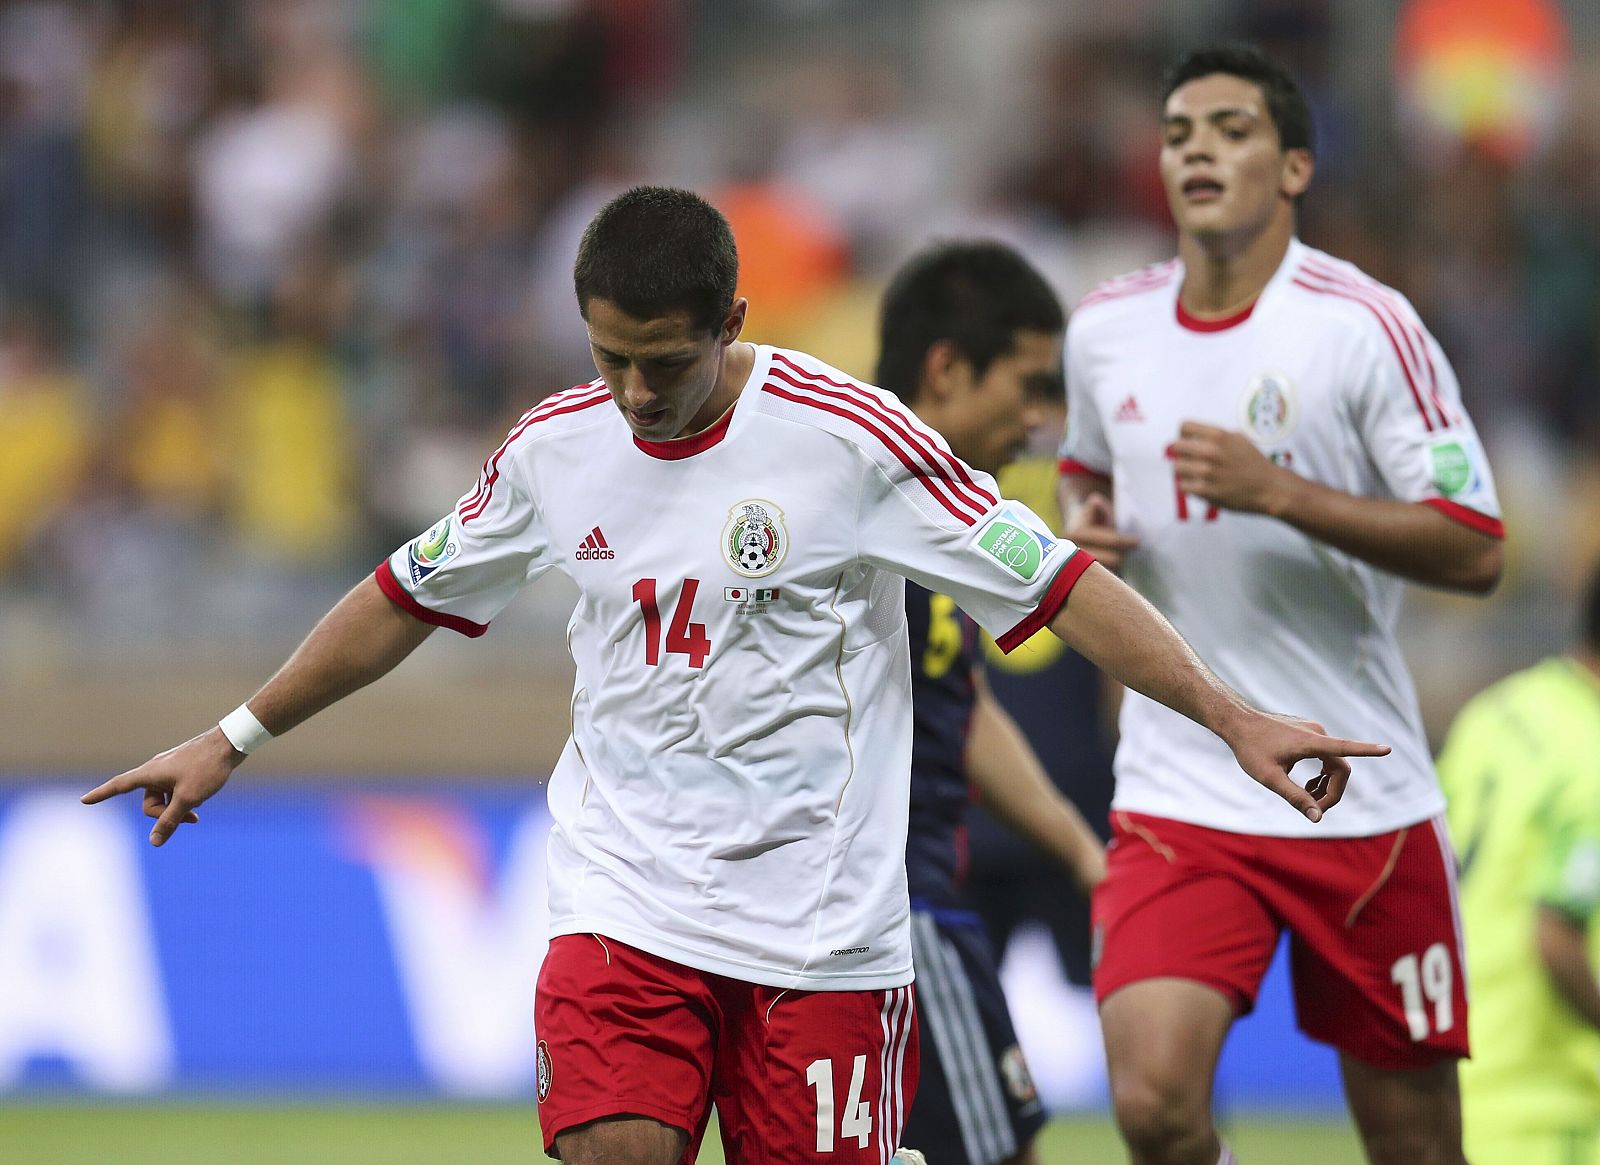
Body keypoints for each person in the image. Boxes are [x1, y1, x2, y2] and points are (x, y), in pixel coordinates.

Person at [84, 185, 1386, 1165]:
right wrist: (235, 733)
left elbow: (1059, 585)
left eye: (665, 358)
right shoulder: (554, 449)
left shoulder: (855, 444)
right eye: (610, 358)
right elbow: (400, 599)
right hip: (625, 899)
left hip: (820, 937)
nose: (637, 392)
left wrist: (1231, 717)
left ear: (733, 321)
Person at [1056, 44, 1505, 1165]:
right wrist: (1086, 523)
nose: (1197, 149)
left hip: (1359, 788)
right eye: (1176, 134)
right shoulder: (1103, 328)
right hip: (1183, 780)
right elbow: (1085, 478)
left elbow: (1476, 545)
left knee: (1412, 1141)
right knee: (1154, 1102)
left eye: (1230, 129)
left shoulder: (1361, 325)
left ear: (1294, 166)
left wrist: (1280, 492)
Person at [874, 239, 1107, 1165]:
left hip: (907, 894)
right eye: (1028, 383)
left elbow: (958, 712)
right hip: (894, 906)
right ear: (947, 368)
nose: (1041, 417)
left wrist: (1085, 854)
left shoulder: (937, 521)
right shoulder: (858, 497)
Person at [1436, 565, 1600, 1165]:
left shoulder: (1498, 711)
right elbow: (1556, 938)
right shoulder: (1591, 759)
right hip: (1552, 1107)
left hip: (1460, 1076)